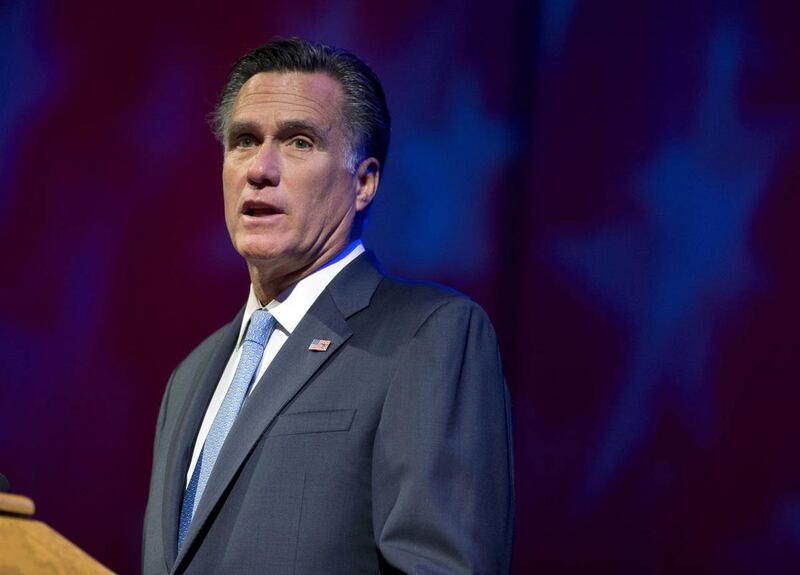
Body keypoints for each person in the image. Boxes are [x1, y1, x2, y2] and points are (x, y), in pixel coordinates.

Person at [142, 37, 514, 574]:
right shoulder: (191, 376)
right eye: (244, 141)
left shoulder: (429, 336)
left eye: (298, 142)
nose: (260, 169)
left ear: (364, 182)